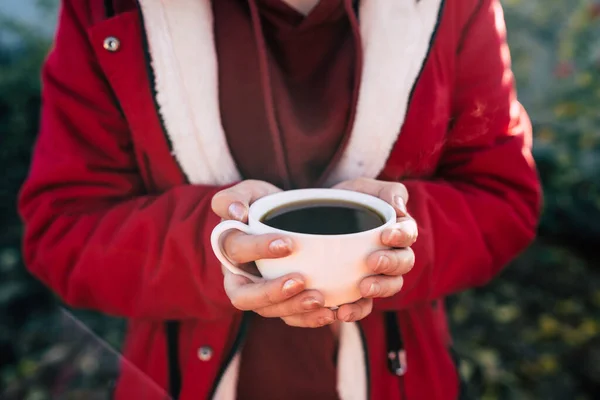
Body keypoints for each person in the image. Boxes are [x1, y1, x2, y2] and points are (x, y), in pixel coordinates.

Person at [18, 0, 541, 398]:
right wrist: (219, 251)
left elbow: (502, 195)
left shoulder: (454, 7)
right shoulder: (109, 11)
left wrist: (397, 244)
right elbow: (62, 229)